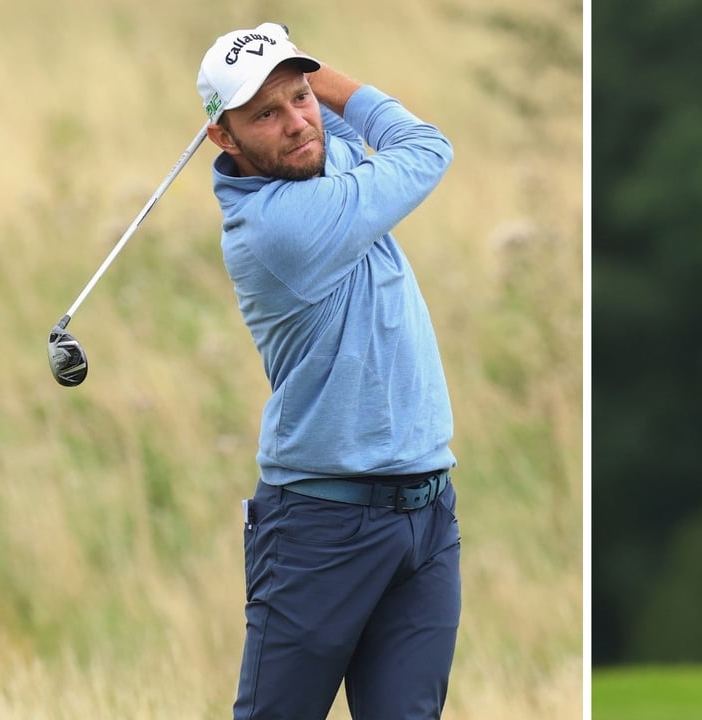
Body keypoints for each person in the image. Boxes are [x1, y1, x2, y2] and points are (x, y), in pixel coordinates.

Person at [196, 23, 461, 720]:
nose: (296, 124)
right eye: (266, 114)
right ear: (225, 140)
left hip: (427, 514)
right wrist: (325, 72)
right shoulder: (281, 229)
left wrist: (294, 78)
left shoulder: (318, 160)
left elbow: (328, 138)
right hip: (321, 527)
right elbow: (427, 147)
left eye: (302, 97)